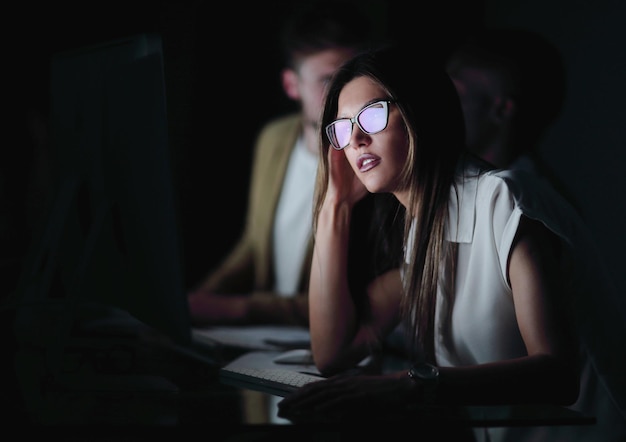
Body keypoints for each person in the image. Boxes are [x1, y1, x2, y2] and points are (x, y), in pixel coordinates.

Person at [277, 43, 626, 441]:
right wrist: (333, 207)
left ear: (420, 112)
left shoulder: (503, 198)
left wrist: (407, 384)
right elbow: (333, 352)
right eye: (341, 127)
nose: (354, 139)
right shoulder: (424, 228)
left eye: (372, 115)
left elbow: (558, 375)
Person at [186, 1, 379, 327]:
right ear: (292, 85)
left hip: (318, 337)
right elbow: (253, 244)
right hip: (259, 338)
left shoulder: (369, 158)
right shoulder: (273, 140)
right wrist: (192, 306)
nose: (344, 93)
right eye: (328, 79)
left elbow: (364, 296)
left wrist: (240, 309)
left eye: (353, 77)